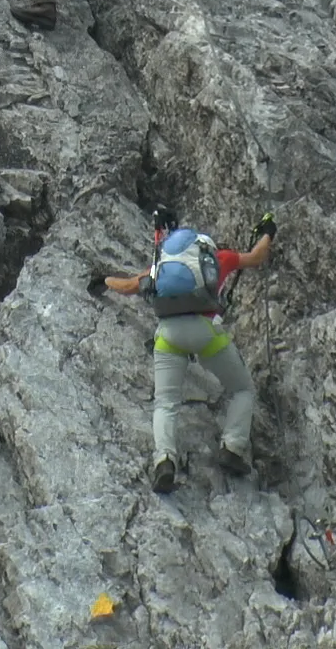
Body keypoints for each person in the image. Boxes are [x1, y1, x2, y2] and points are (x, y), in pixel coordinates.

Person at [95, 210, 277, 493]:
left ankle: (165, 461)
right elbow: (257, 256)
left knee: (165, 402)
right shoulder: (218, 259)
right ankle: (232, 446)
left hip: (168, 336)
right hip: (206, 333)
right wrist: (268, 231)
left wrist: (104, 280)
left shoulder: (162, 265)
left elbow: (130, 286)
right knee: (242, 389)